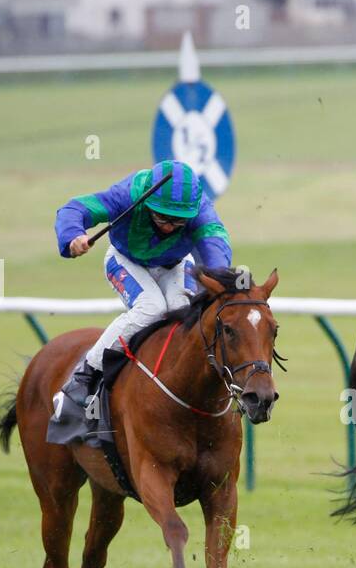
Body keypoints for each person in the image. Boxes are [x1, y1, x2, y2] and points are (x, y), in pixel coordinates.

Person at [52, 160, 232, 410]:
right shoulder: (128, 193)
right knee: (152, 307)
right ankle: (85, 375)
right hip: (126, 260)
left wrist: (220, 280)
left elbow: (216, 244)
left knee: (184, 312)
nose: (169, 226)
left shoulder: (200, 208)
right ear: (147, 204)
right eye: (162, 217)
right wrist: (73, 235)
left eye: (178, 222)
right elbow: (75, 208)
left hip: (175, 264)